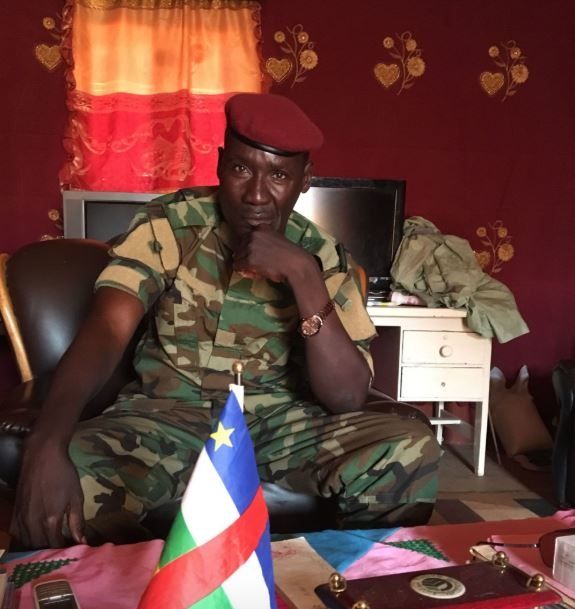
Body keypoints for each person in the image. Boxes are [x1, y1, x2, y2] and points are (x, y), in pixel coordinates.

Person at [12, 93, 440, 549]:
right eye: (241, 169)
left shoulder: (322, 256)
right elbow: (106, 331)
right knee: (68, 483)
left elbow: (348, 395)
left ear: (304, 180)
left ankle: (345, 578)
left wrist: (304, 278)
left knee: (408, 446)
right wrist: (48, 440)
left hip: (280, 423)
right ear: (219, 164)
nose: (256, 194)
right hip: (166, 418)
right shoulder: (171, 224)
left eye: (278, 175)